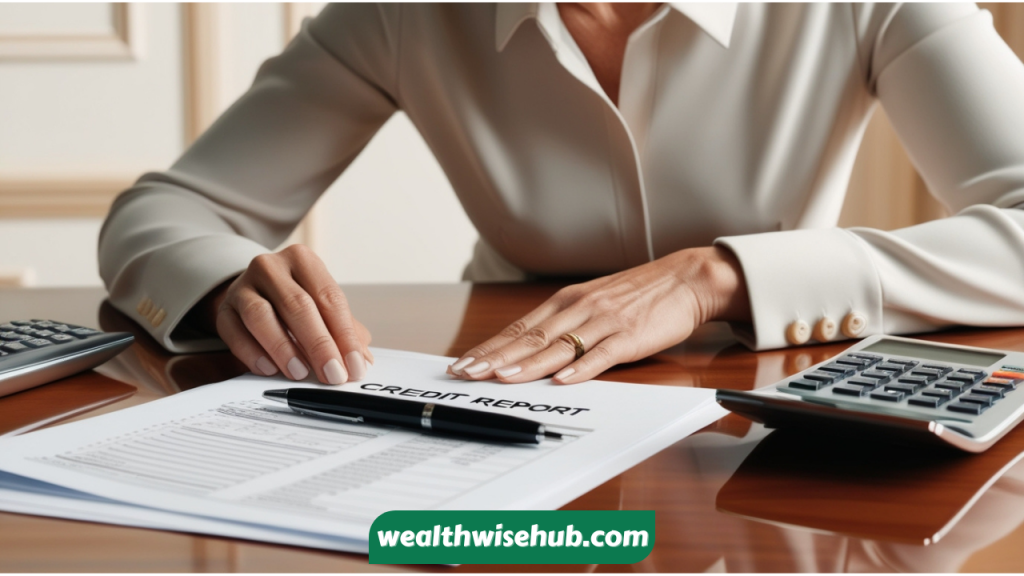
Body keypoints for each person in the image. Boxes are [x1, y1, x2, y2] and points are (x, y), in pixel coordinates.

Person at [99, 3, 1024, 387]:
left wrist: (718, 277)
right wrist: (229, 284)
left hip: (762, 416)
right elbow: (163, 213)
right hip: (493, 401)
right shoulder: (401, 13)